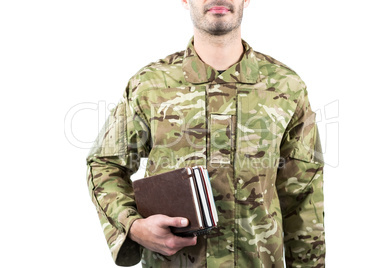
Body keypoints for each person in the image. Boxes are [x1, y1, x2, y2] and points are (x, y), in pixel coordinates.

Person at [86, 0, 326, 267]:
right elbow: (104, 164)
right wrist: (132, 225)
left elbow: (303, 195)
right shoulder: (149, 85)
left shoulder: (286, 87)